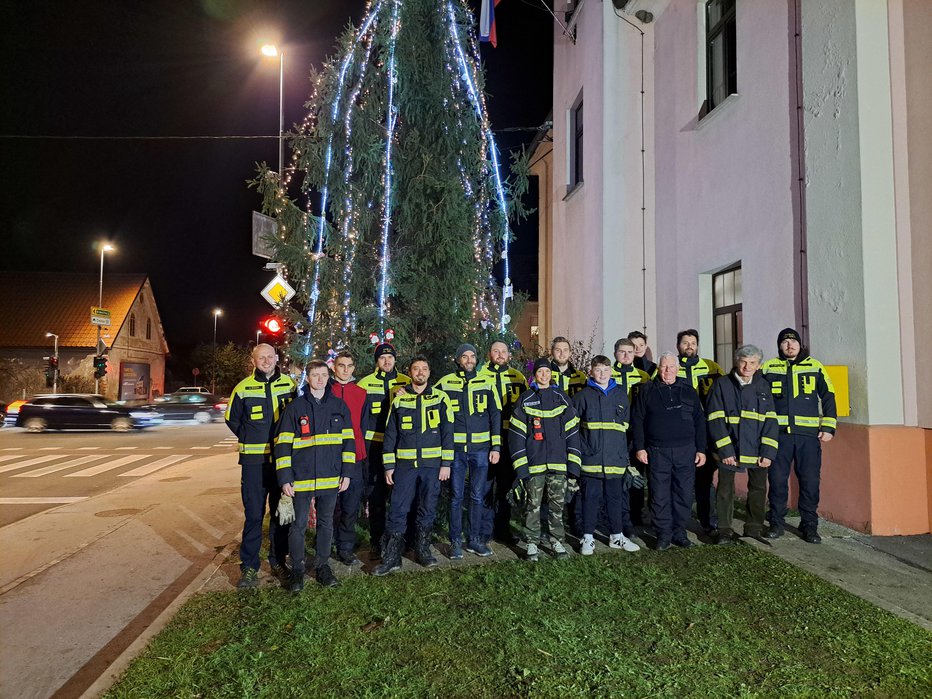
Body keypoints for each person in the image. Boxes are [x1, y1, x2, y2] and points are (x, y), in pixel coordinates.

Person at [274, 360, 355, 592]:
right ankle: (297, 570)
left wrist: (347, 473)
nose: (320, 379)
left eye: (323, 375)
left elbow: (348, 442)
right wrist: (285, 478)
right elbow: (282, 446)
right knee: (298, 525)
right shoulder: (295, 408)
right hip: (301, 479)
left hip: (331, 478)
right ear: (307, 378)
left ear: (329, 377)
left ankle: (322, 566)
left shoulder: (339, 407)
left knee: (326, 523)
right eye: (315, 375)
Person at [225, 343, 296, 589]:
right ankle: (249, 567)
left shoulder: (289, 385)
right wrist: (249, 436)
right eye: (261, 357)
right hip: (254, 464)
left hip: (281, 462)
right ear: (253, 361)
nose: (266, 361)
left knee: (280, 516)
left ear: (276, 358)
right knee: (254, 515)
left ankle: (278, 562)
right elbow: (231, 419)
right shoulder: (243, 389)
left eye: (269, 357)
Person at [374, 357, 454, 575]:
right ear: (409, 373)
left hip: (432, 465)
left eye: (424, 369)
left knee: (427, 508)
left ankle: (423, 550)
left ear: (429, 372)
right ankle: (392, 557)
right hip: (405, 466)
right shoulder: (399, 399)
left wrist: (446, 464)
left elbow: (448, 434)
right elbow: (390, 434)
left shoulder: (441, 397)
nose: (420, 372)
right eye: (416, 369)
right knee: (398, 510)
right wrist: (389, 465)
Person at [761, 328, 837, 543]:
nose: (789, 345)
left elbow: (829, 395)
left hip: (808, 437)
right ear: (779, 346)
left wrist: (829, 426)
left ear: (800, 344)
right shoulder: (768, 367)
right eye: (785, 342)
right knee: (777, 481)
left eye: (793, 342)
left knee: (810, 481)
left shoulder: (815, 366)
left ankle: (809, 526)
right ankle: (776, 522)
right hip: (779, 436)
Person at [631, 352, 707, 550]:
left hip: (686, 450)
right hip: (657, 451)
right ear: (658, 368)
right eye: (664, 367)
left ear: (678, 369)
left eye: (671, 367)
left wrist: (701, 449)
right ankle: (663, 533)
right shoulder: (647, 390)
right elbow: (637, 420)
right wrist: (640, 448)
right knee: (659, 493)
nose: (667, 371)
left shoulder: (688, 390)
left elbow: (699, 420)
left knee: (683, 492)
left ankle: (679, 531)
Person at [509, 358, 581, 561]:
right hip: (534, 465)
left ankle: (556, 541)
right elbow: (516, 437)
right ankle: (531, 543)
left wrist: (573, 466)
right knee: (532, 505)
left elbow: (573, 434)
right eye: (540, 372)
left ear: (551, 374)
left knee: (557, 506)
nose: (544, 375)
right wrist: (521, 468)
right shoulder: (525, 399)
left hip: (559, 465)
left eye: (547, 372)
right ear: (535, 375)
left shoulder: (562, 398)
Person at [707, 345, 780, 544]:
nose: (747, 366)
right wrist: (725, 450)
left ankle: (754, 528)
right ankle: (724, 530)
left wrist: (768, 451)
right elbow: (715, 418)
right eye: (743, 361)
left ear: (759, 365)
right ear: (736, 361)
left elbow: (771, 420)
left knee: (758, 489)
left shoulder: (763, 386)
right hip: (729, 450)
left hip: (757, 450)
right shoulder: (722, 384)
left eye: (752, 363)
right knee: (725, 490)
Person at [436, 343, 502, 559]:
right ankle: (455, 541)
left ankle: (474, 540)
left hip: (481, 450)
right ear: (457, 360)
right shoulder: (446, 382)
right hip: (455, 450)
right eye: (464, 356)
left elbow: (495, 415)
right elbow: (426, 394)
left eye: (472, 356)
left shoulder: (487, 381)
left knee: (477, 496)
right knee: (455, 497)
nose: (469, 360)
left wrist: (496, 446)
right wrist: (404, 390)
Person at [573, 355, 640, 555]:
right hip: (591, 460)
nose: (602, 373)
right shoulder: (582, 397)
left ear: (611, 371)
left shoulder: (621, 395)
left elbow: (625, 428)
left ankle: (616, 536)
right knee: (589, 499)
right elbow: (574, 430)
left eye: (605, 369)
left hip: (615, 460)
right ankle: (588, 538)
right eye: (598, 370)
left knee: (615, 498)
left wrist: (624, 458)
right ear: (591, 372)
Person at [357, 343, 412, 553]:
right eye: (382, 358)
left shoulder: (407, 382)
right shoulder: (365, 384)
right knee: (376, 495)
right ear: (376, 361)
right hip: (374, 447)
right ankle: (377, 540)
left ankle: (403, 539)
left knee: (403, 495)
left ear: (395, 360)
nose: (387, 361)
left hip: (401, 448)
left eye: (390, 358)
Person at [478, 340, 528, 544]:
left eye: (503, 351)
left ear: (509, 355)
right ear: (489, 354)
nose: (500, 354)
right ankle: (483, 531)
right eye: (496, 351)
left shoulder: (518, 377)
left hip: (510, 437)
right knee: (485, 486)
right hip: (486, 438)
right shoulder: (480, 376)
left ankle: (502, 529)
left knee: (506, 486)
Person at [676, 329, 724, 534]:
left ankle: (709, 522)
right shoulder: (670, 366)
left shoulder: (712, 367)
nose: (689, 346)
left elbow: (724, 394)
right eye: (685, 343)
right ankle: (677, 522)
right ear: (679, 346)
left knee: (704, 480)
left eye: (692, 342)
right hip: (678, 432)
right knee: (678, 479)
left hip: (706, 431)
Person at [328, 351, 371, 566]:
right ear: (334, 367)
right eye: (341, 365)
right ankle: (326, 544)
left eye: (349, 366)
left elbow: (363, 426)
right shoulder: (325, 390)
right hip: (330, 457)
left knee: (350, 505)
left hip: (355, 457)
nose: (345, 369)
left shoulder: (362, 393)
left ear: (354, 368)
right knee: (330, 504)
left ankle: (345, 547)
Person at [612, 337, 652, 531]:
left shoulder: (644, 377)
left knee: (637, 472)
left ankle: (636, 514)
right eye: (622, 352)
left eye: (630, 351)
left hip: (636, 432)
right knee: (615, 474)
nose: (626, 355)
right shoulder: (607, 374)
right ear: (615, 354)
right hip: (614, 432)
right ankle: (615, 513)